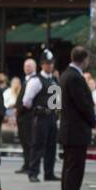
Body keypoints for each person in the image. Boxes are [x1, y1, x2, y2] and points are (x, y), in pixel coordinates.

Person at [59, 45, 96, 190]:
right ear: (85, 59)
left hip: (70, 130)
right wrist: (92, 120)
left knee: (69, 170)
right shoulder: (74, 77)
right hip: (76, 131)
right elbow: (83, 104)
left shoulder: (66, 75)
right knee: (74, 171)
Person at [22, 50, 59, 182]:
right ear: (42, 64)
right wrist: (38, 110)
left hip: (52, 116)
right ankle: (33, 172)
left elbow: (56, 100)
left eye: (51, 63)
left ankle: (49, 173)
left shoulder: (54, 80)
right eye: (47, 63)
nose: (49, 66)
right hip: (41, 116)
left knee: (51, 146)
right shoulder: (36, 80)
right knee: (37, 145)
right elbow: (26, 101)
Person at [14, 57, 36, 173]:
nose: (26, 68)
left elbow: (28, 100)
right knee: (24, 141)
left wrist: (20, 109)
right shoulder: (26, 80)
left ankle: (30, 165)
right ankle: (26, 164)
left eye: (29, 66)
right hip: (22, 117)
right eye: (25, 66)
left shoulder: (34, 80)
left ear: (34, 67)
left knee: (29, 141)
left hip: (28, 116)